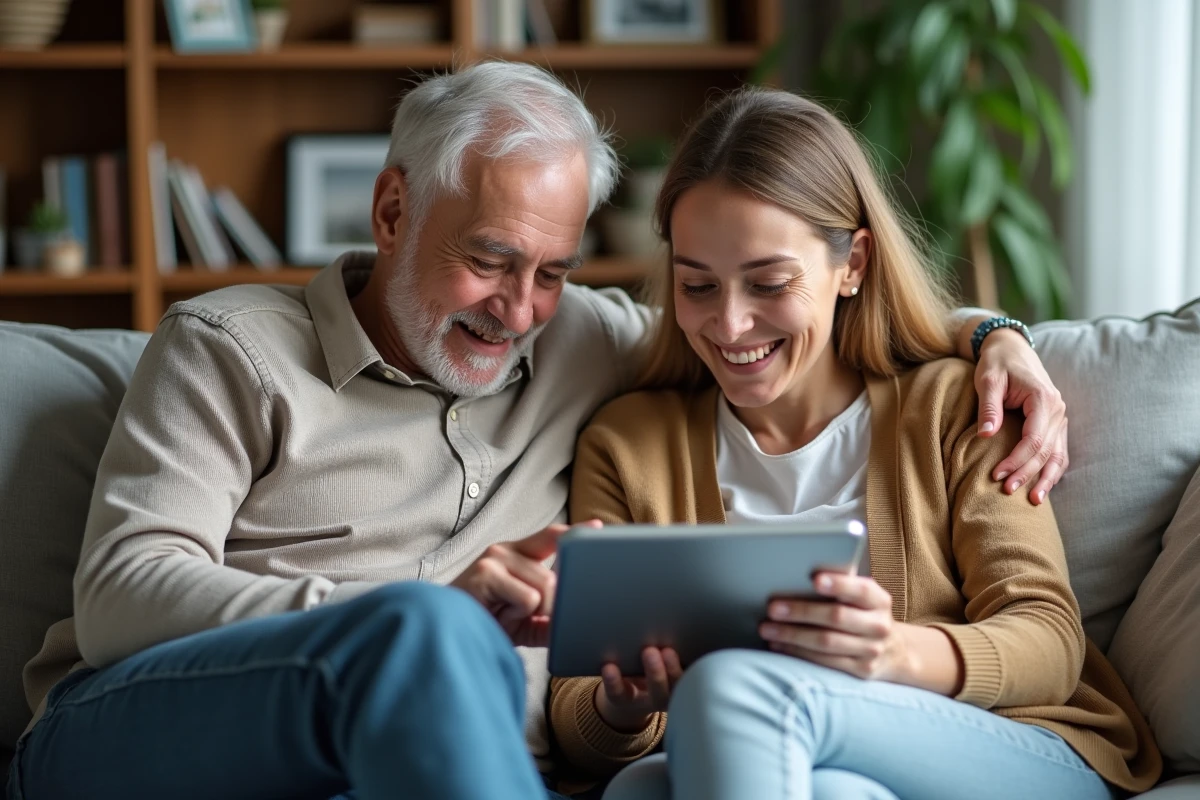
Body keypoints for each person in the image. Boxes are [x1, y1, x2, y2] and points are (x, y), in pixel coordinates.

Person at [9, 62, 1066, 800]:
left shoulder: (587, 344)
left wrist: (998, 338)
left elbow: (777, 326)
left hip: (404, 764)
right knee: (428, 635)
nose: (518, 307)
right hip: (151, 728)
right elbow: (118, 599)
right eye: (490, 258)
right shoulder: (229, 350)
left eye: (551, 271)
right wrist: (410, 610)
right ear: (391, 212)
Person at [549, 88, 1161, 800]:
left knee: (737, 690)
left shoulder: (956, 405)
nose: (731, 323)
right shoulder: (627, 446)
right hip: (787, 753)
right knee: (645, 791)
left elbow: (1049, 638)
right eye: (698, 286)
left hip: (1007, 748)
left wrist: (894, 652)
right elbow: (576, 709)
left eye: (769, 282)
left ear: (855, 264)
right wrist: (622, 707)